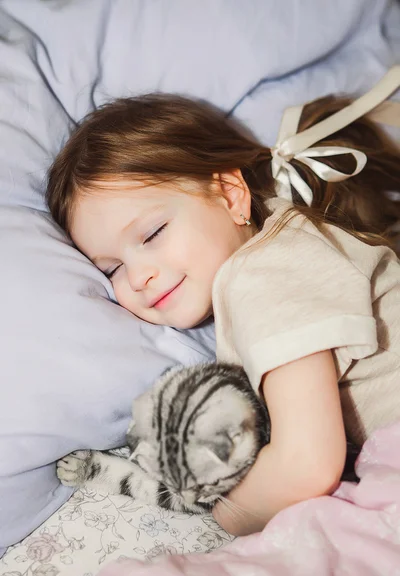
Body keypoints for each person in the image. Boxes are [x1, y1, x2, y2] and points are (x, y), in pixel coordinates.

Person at [46, 67, 400, 536]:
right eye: (111, 269)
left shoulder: (260, 274)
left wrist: (226, 516)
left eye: (152, 234)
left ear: (231, 194)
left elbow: (306, 467)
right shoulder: (284, 238)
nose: (138, 275)